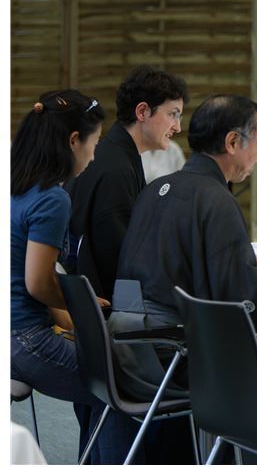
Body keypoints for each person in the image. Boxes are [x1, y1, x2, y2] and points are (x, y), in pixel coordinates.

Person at [111, 94, 257, 401]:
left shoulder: (156, 189)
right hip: (173, 359)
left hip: (128, 349)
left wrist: (239, 261)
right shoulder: (216, 200)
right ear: (233, 142)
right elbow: (245, 299)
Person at [10, 90, 121, 463]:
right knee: (121, 389)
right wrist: (81, 303)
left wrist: (73, 312)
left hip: (11, 334)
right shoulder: (52, 198)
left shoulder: (16, 185)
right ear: (74, 141)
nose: (94, 156)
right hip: (25, 340)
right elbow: (38, 284)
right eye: (94, 143)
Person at [66, 65, 189, 300]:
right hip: (101, 305)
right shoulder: (117, 169)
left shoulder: (115, 153)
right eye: (173, 114)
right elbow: (120, 258)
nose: (178, 127)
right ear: (142, 111)